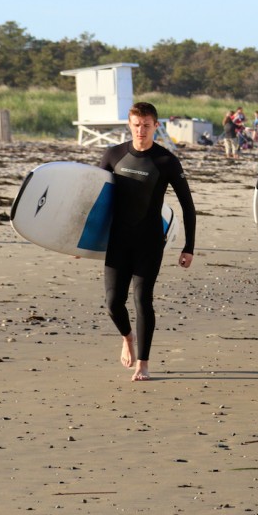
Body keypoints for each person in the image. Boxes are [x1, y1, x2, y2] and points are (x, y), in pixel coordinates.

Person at [98, 102, 197, 382]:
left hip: (150, 240)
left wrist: (188, 247)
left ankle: (143, 362)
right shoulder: (113, 155)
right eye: (136, 125)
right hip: (118, 239)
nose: (141, 130)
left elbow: (188, 207)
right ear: (129, 125)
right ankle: (127, 337)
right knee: (113, 302)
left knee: (143, 299)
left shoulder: (166, 161)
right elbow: (94, 200)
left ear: (156, 126)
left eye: (146, 125)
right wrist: (79, 241)